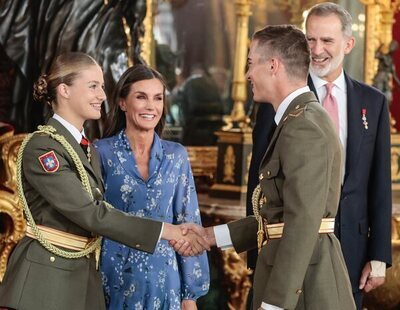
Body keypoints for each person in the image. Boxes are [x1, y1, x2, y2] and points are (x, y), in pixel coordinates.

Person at [0, 52, 209, 310]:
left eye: (101, 86)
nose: (101, 95)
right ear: (64, 90)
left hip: (83, 277)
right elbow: (92, 213)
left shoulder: (81, 147)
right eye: (93, 86)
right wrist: (168, 231)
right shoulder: (44, 148)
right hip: (48, 282)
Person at [176, 24, 356, 310]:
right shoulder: (294, 121)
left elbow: (302, 222)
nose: (247, 74)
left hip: (305, 291)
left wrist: (275, 304)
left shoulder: (304, 126)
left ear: (273, 65)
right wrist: (210, 237)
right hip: (296, 285)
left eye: (250, 63)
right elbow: (276, 217)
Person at [246, 3, 392, 309]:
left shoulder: (373, 102)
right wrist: (255, 249)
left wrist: (379, 253)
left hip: (349, 248)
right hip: (285, 247)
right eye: (310, 40)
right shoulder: (276, 98)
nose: (317, 49)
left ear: (348, 44)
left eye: (327, 40)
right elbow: (259, 180)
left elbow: (379, 182)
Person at [94, 64, 210, 310]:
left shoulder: (176, 156)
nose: (151, 106)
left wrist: (190, 298)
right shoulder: (101, 153)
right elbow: (92, 217)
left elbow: (188, 222)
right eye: (141, 97)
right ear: (123, 102)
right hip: (111, 280)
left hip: (165, 281)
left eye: (158, 98)